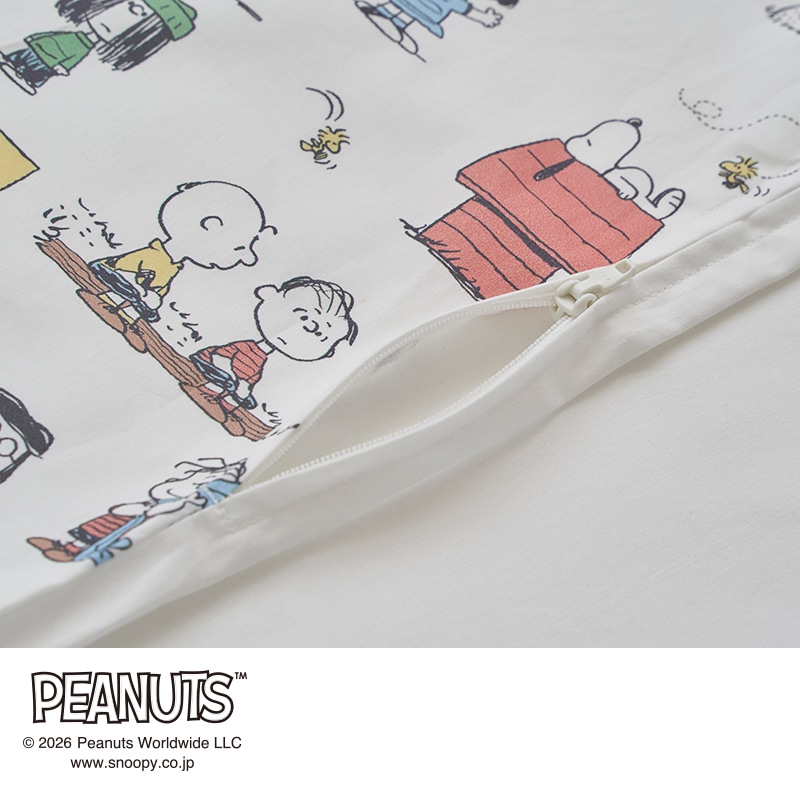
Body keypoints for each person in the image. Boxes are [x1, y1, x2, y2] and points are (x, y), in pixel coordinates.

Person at [81, 181, 272, 351]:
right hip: (116, 283)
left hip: (132, 297)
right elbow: (117, 270)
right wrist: (144, 293)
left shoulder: (172, 267)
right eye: (238, 248)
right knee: (131, 294)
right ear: (210, 226)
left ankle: (124, 317)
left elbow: (155, 290)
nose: (248, 259)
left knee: (147, 308)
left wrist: (153, 298)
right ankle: (112, 306)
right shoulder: (153, 256)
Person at [185, 276, 358, 434]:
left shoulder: (261, 360)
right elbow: (220, 357)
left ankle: (227, 409)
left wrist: (243, 387)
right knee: (225, 382)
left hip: (234, 383)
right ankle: (207, 393)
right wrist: (231, 376)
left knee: (240, 393)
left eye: (322, 335)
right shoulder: (247, 347)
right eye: (303, 317)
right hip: (215, 367)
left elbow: (250, 378)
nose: (309, 327)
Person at [0, 0, 196, 95]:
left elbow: (71, 59)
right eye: (128, 5)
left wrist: (60, 67)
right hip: (40, 47)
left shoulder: (82, 47)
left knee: (40, 70)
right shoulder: (72, 36)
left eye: (138, 14)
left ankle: (29, 77)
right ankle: (14, 63)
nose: (120, 14)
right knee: (24, 56)